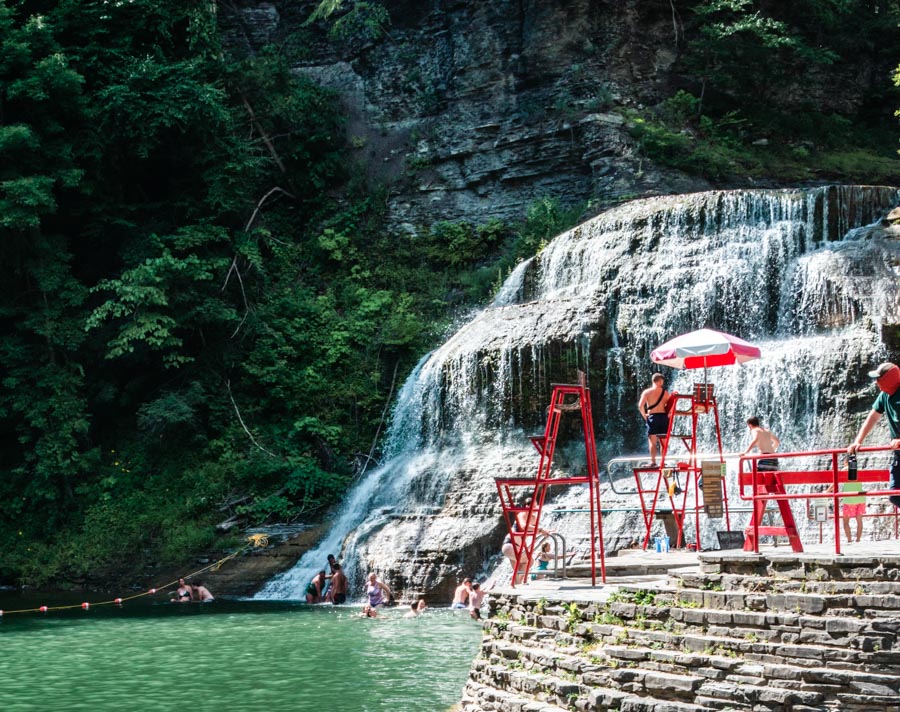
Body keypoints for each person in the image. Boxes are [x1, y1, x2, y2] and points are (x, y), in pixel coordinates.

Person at [848, 362, 900, 510]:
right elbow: (873, 417)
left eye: (879, 378)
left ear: (888, 379)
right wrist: (857, 441)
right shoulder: (884, 396)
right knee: (895, 495)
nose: (876, 382)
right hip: (898, 454)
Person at [501, 496, 553, 584]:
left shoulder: (533, 518)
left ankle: (516, 585)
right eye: (533, 506)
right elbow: (523, 526)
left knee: (519, 569)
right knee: (529, 561)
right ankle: (516, 584)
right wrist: (540, 530)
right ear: (526, 506)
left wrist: (545, 532)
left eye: (536, 506)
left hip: (518, 547)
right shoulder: (522, 514)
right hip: (510, 544)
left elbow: (534, 530)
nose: (535, 508)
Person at [638, 373, 672, 466]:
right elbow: (670, 407)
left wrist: (645, 416)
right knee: (663, 442)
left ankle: (653, 462)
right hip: (663, 417)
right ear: (661, 381)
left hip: (653, 417)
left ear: (653, 381)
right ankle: (663, 462)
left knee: (652, 441)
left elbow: (640, 406)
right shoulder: (665, 393)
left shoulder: (647, 392)